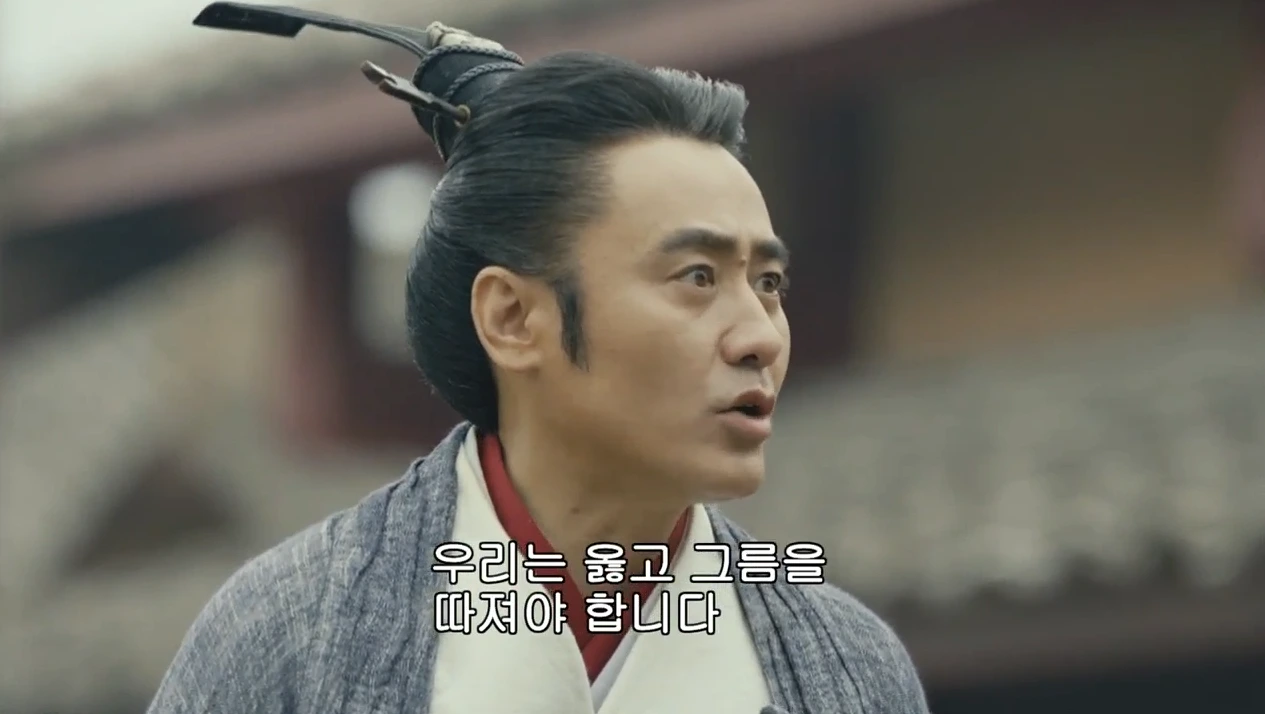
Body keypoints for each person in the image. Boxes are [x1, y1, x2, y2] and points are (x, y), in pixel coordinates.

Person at [148, 4, 930, 714]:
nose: (760, 335)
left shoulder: (848, 667)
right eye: (697, 277)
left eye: (767, 283)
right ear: (513, 317)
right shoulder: (292, 632)